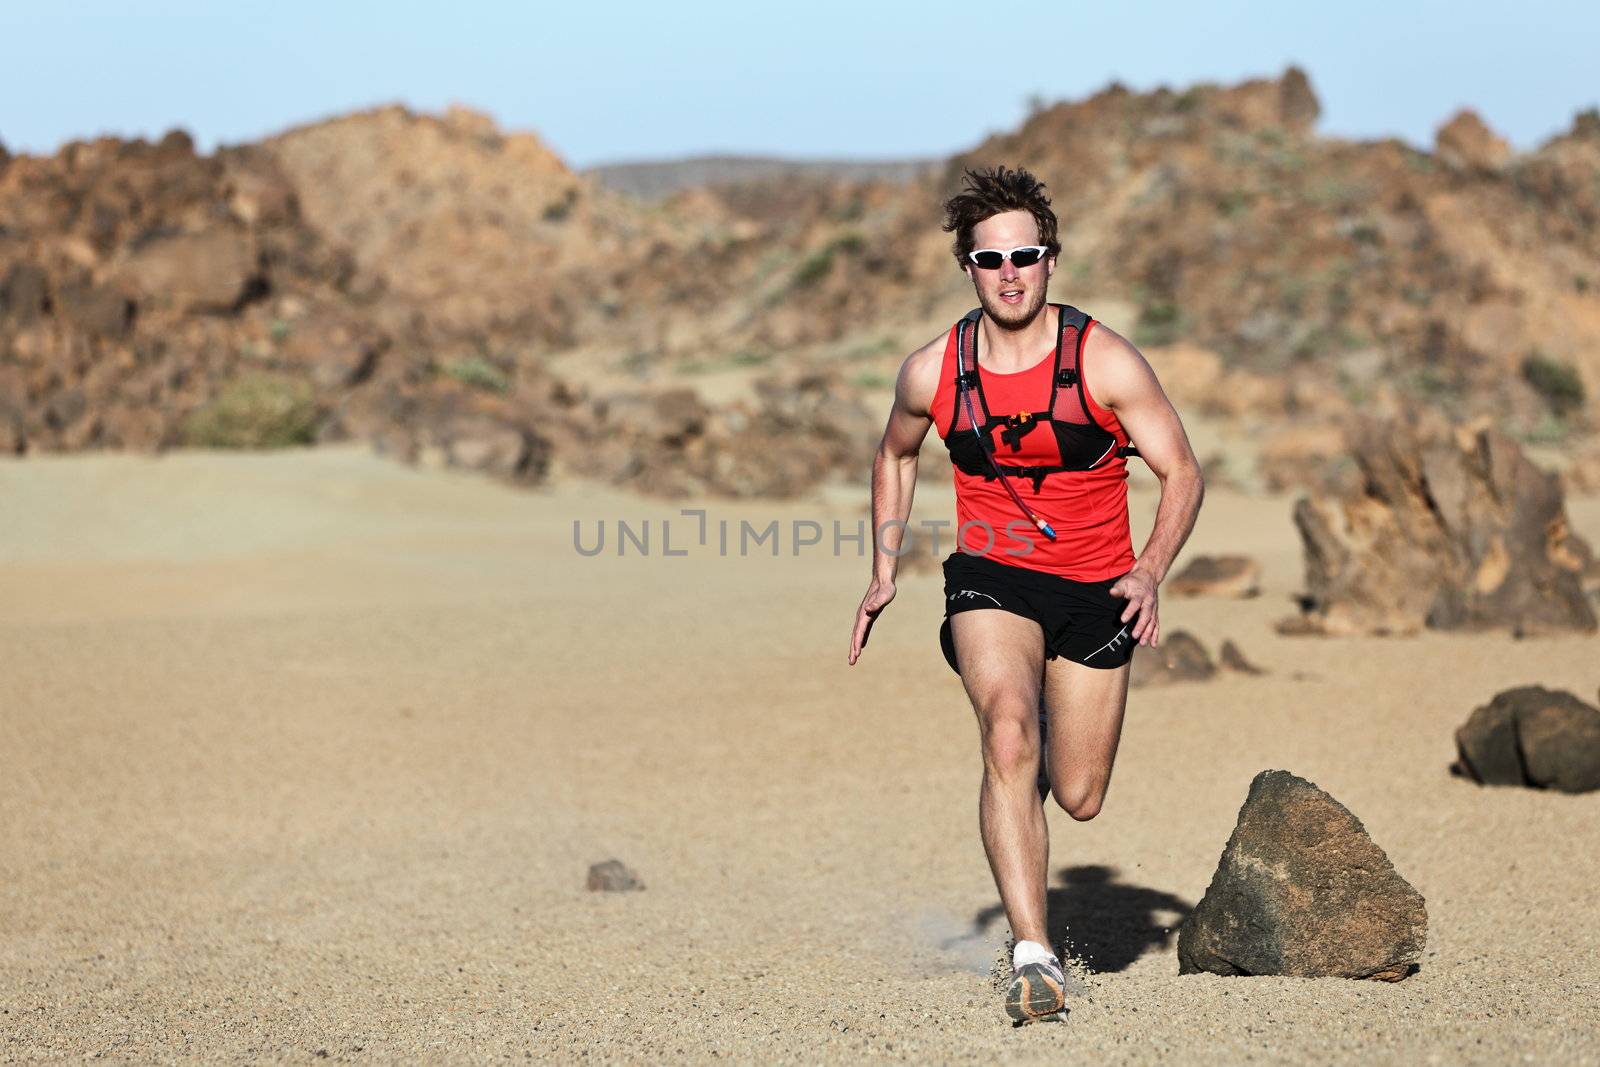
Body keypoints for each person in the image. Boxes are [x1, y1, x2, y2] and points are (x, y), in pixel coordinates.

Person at [847, 165, 1204, 1024]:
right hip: (992, 578)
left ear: (1051, 262)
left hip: (1097, 586)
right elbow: (895, 453)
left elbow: (1181, 470)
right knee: (1008, 732)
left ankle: (1024, 787)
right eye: (990, 258)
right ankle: (1034, 956)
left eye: (1027, 255)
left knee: (1077, 792)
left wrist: (1150, 567)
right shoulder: (934, 370)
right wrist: (884, 566)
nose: (1009, 273)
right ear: (966, 267)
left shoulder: (1103, 359)